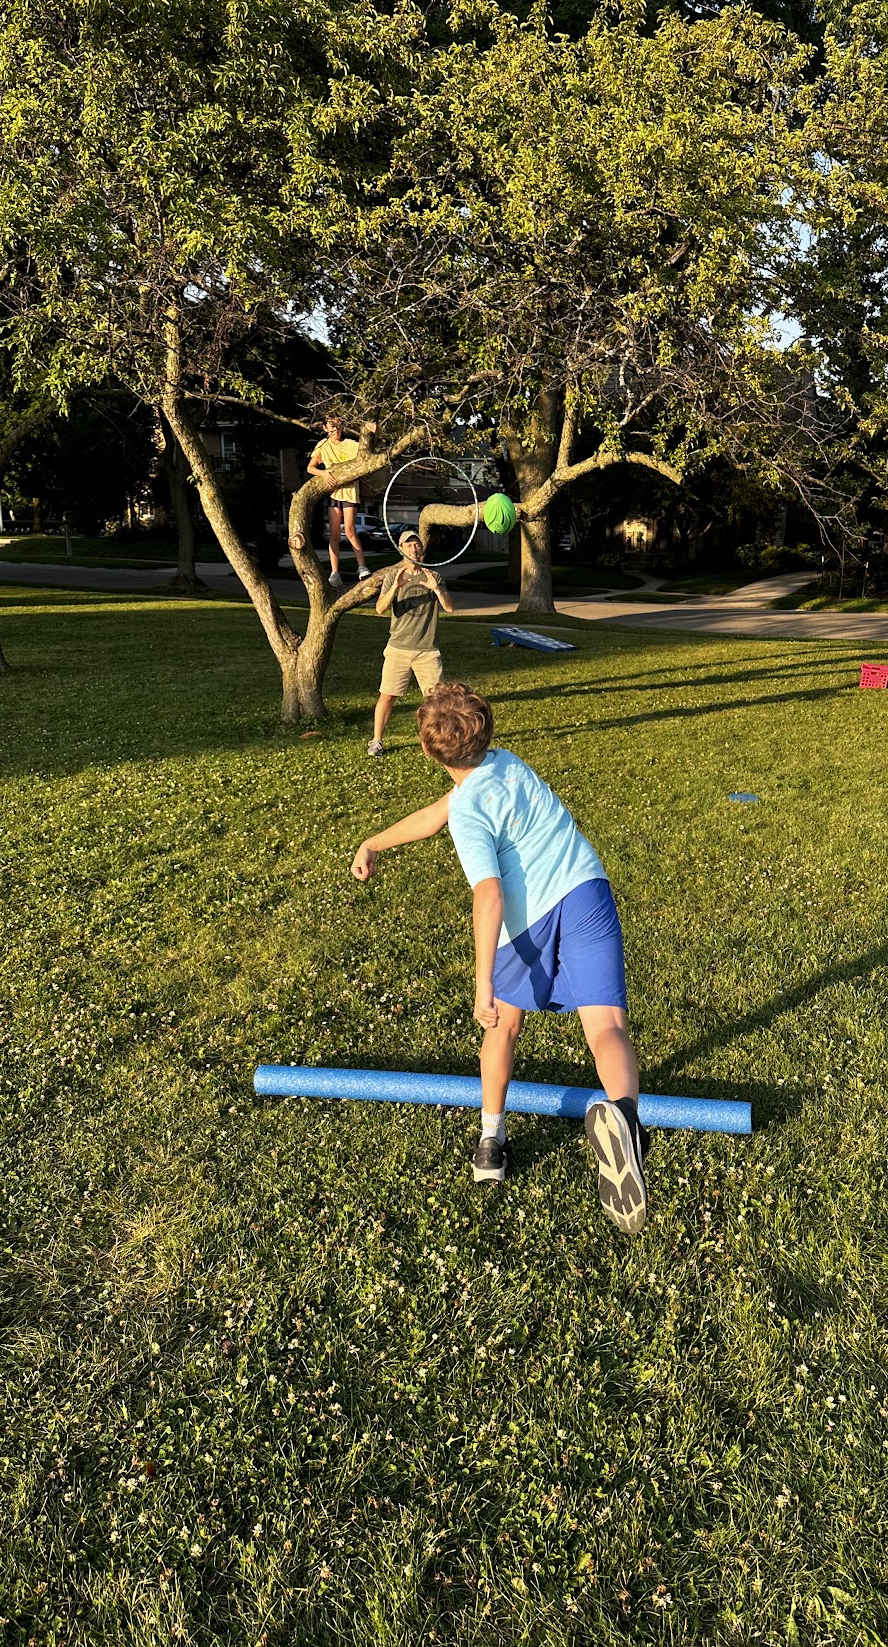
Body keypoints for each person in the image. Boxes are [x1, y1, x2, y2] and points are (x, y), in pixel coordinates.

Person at [349, 681, 649, 1234]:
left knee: (502, 1025)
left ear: (427, 751)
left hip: (528, 919)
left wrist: (482, 982)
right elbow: (437, 812)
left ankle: (491, 1143)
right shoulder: (509, 764)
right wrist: (374, 841)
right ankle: (626, 1121)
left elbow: (488, 894)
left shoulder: (468, 811)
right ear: (486, 732)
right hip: (586, 889)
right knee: (606, 1025)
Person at [368, 529, 453, 758]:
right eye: (408, 545)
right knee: (387, 695)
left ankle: (434, 743)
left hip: (427, 650)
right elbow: (380, 608)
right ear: (401, 549)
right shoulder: (392, 577)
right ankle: (377, 741)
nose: (413, 549)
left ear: (421, 549)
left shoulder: (433, 576)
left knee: (436, 701)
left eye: (416, 545)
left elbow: (449, 607)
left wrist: (436, 589)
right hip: (398, 648)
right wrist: (395, 586)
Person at [306, 414, 370, 586]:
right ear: (326, 428)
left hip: (350, 492)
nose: (336, 429)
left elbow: (367, 453)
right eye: (332, 426)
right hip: (334, 494)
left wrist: (371, 431)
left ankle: (362, 567)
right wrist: (324, 474)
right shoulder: (323, 446)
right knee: (334, 534)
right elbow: (311, 468)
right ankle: (335, 573)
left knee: (349, 531)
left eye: (339, 426)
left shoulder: (350, 444)